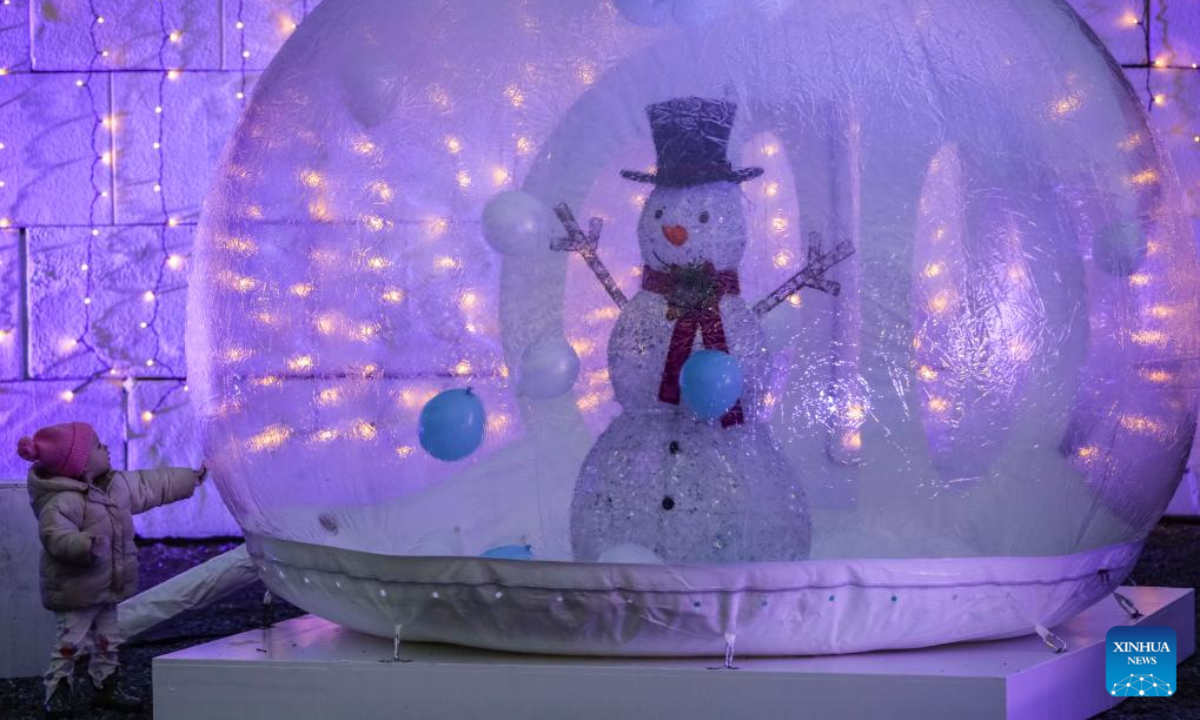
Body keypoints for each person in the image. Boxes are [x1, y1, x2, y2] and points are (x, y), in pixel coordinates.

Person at [17, 421, 207, 718]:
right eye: (96, 446)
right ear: (78, 465)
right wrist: (84, 544)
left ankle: (106, 686)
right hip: (76, 591)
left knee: (108, 640)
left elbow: (150, 484)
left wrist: (190, 478)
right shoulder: (62, 502)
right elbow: (55, 536)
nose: (105, 448)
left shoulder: (115, 485)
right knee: (70, 642)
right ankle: (58, 690)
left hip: (108, 585)